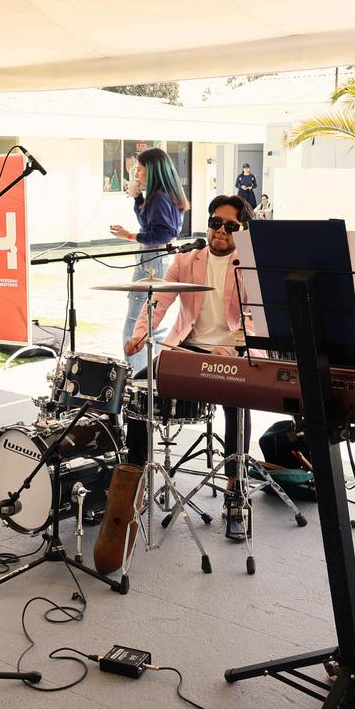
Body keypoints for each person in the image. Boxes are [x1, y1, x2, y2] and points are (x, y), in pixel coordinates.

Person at [123, 194, 254, 541]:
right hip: (188, 347)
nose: (221, 230)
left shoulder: (250, 266)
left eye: (230, 226)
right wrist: (139, 336)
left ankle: (235, 491)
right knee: (138, 392)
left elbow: (256, 319)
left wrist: (230, 349)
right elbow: (158, 302)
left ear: (242, 230)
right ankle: (134, 479)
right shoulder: (185, 260)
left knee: (238, 404)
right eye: (215, 222)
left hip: (231, 352)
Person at [109, 147, 189, 375]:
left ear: (153, 171)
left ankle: (135, 376)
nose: (137, 174)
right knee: (152, 320)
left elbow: (161, 234)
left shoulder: (159, 196)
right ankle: (150, 374)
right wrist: (138, 198)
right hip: (157, 258)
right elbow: (149, 224)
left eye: (141, 169)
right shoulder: (165, 194)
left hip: (153, 258)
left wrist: (128, 236)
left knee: (136, 321)